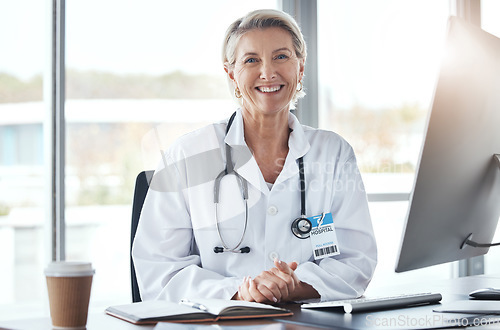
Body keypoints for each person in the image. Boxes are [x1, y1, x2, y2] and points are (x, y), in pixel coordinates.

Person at [132, 9, 377, 304]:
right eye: (251, 60)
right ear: (231, 74)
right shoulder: (187, 155)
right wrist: (241, 292)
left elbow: (356, 260)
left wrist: (293, 286)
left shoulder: (334, 154)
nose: (268, 72)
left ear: (300, 68)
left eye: (281, 57)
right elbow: (159, 269)